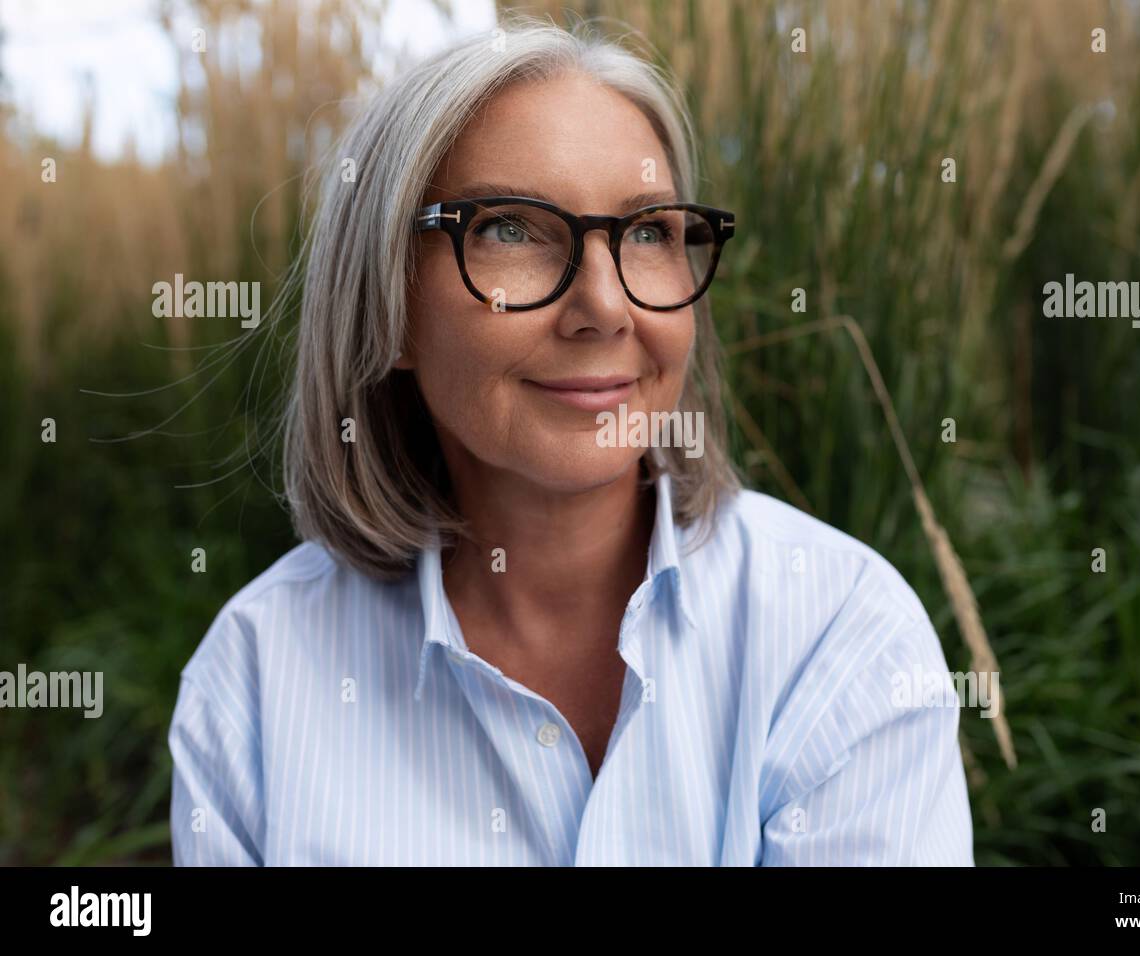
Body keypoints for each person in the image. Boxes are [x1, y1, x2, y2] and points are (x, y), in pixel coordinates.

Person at [167, 16, 974, 866]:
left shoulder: (838, 635)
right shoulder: (256, 682)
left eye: (651, 231)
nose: (606, 308)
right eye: (511, 228)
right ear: (386, 303)